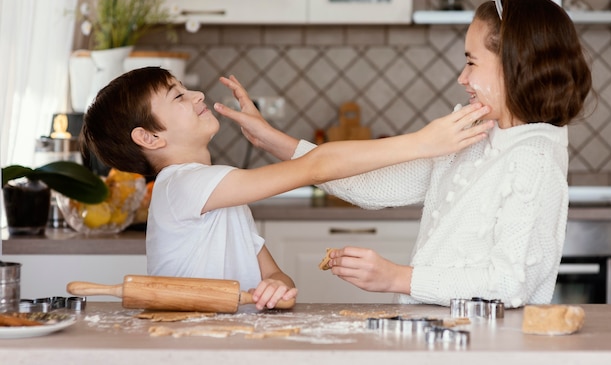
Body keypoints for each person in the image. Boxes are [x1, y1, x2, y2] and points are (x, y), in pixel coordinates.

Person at [215, 0, 593, 308]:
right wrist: (273, 140)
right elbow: (377, 184)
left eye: (471, 62)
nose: (462, 78)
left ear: (514, 66)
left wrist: (396, 278)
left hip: (491, 349)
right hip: (442, 336)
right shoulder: (476, 131)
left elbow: (508, 284)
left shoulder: (534, 160)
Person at [80, 66, 493, 310]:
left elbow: (274, 274)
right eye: (179, 96)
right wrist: (422, 142)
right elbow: (314, 169)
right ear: (149, 139)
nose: (198, 94)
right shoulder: (182, 186)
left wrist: (278, 286)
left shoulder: (222, 193)